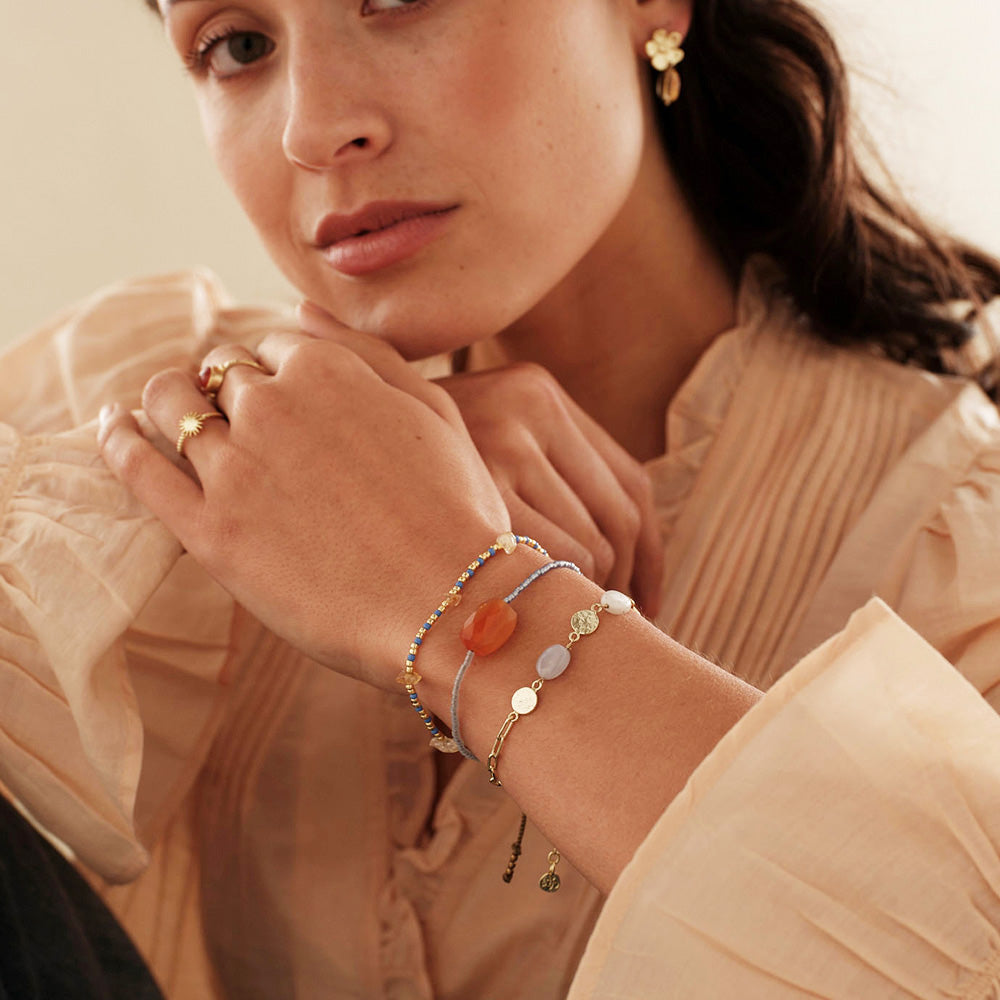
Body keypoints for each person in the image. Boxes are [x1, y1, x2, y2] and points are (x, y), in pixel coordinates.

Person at [2, 0, 1000, 996]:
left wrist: (460, 592)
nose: (313, 126)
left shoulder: (958, 547)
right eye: (239, 45)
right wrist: (332, 457)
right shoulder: (166, 421)